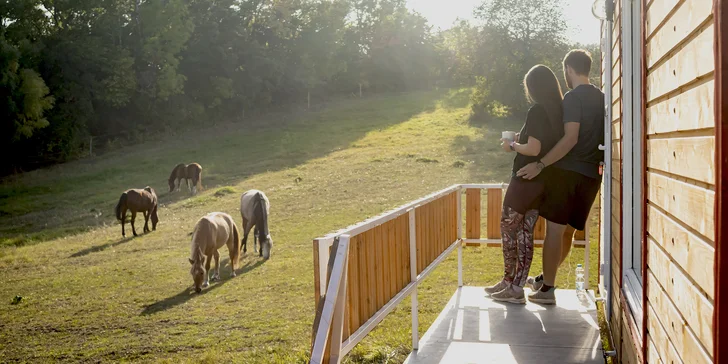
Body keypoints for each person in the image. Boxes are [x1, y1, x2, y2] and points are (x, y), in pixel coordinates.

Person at [517, 49, 605, 304]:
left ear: (568, 69)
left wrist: (541, 164)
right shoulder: (602, 96)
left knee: (554, 232)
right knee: (568, 233)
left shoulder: (572, 97)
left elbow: (570, 138)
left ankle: (547, 291)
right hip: (591, 177)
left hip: (568, 174)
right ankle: (546, 279)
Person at [483, 64, 564, 304]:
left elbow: (534, 148)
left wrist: (513, 146)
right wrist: (523, 140)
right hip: (542, 182)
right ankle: (514, 285)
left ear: (533, 87)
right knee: (525, 234)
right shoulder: (557, 111)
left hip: (524, 179)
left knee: (509, 230)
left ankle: (512, 283)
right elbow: (542, 143)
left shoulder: (537, 111)